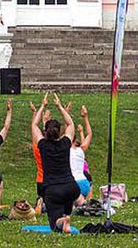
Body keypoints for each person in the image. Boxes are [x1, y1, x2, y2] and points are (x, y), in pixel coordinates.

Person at [31, 92, 80, 234]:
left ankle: (62, 221)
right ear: (59, 132)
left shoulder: (43, 145)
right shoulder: (65, 143)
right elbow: (70, 123)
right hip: (71, 188)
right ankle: (66, 217)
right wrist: (59, 106)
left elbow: (34, 124)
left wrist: (42, 106)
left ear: (45, 132)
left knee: (54, 224)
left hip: (53, 190)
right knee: (65, 204)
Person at [70, 105, 93, 205]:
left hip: (73, 185)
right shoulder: (81, 149)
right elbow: (89, 134)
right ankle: (83, 203)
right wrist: (85, 117)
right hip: (85, 184)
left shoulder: (64, 150)